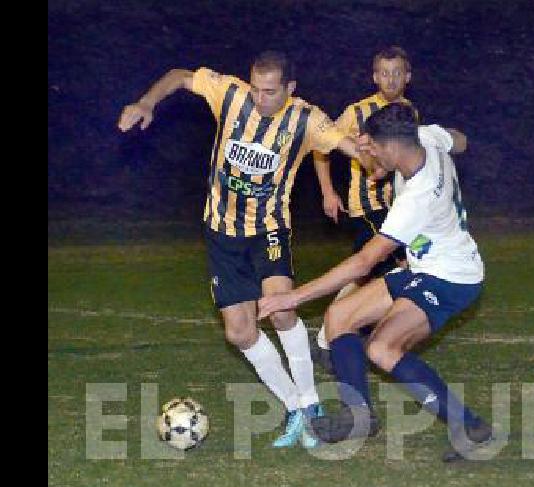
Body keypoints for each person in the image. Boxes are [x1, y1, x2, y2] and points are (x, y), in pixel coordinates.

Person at [118, 50, 374, 448]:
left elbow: (350, 148)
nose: (259, 98)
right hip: (221, 231)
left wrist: (380, 154)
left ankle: (312, 408)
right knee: (239, 332)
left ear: (290, 89)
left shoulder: (307, 119)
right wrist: (146, 101)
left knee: (282, 308)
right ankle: (294, 407)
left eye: (270, 92)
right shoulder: (231, 95)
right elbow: (180, 74)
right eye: (255, 88)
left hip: (268, 230)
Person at [259, 103, 492, 462]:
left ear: (394, 146)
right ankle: (359, 417)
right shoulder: (425, 138)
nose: (371, 155)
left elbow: (365, 262)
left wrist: (294, 297)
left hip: (451, 278)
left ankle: (469, 426)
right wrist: (386, 163)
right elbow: (459, 140)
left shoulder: (418, 198)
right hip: (425, 266)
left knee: (382, 348)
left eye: (376, 149)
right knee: (338, 318)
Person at [312, 46, 416, 357]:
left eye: (397, 73)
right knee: (398, 264)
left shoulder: (410, 112)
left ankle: (339, 332)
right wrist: (328, 192)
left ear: (407, 77)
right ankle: (346, 333)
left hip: (399, 205)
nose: (391, 79)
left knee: (372, 272)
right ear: (374, 77)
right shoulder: (356, 113)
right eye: (384, 73)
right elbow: (321, 146)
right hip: (368, 206)